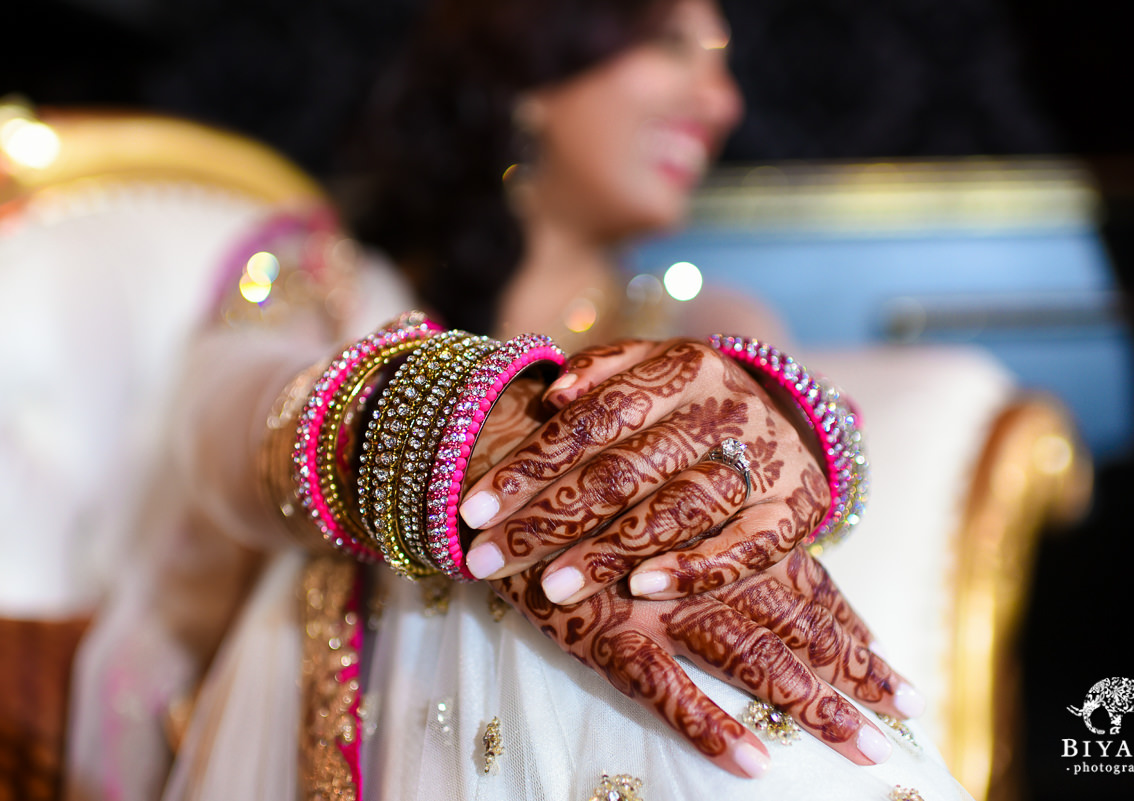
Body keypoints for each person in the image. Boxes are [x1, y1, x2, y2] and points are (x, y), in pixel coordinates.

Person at [66, 1, 970, 798]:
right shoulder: (333, 279)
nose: (722, 100)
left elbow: (799, 402)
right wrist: (448, 436)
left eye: (725, 60)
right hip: (340, 711)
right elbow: (218, 425)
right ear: (533, 74)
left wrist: (770, 428)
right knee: (506, 548)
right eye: (671, 42)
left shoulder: (696, 312)